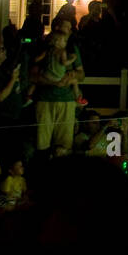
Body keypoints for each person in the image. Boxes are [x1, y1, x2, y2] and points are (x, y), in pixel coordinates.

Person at [31, 18, 86, 159]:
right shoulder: (44, 48)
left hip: (66, 101)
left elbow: (81, 74)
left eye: (69, 28)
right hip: (45, 100)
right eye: (64, 27)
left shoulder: (72, 49)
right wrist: (53, 83)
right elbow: (33, 76)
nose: (67, 30)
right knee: (42, 142)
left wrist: (73, 75)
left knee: (64, 144)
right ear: (56, 28)